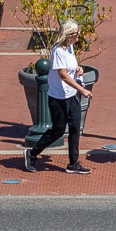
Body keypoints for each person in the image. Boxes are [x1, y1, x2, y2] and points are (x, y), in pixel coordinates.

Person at [24, 20, 93, 175]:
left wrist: (77, 69)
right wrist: (82, 89)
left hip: (71, 96)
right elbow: (62, 74)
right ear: (68, 35)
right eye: (76, 33)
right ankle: (32, 153)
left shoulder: (70, 48)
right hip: (58, 98)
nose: (78, 36)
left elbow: (70, 68)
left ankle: (73, 163)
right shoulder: (58, 51)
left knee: (75, 128)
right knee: (58, 130)